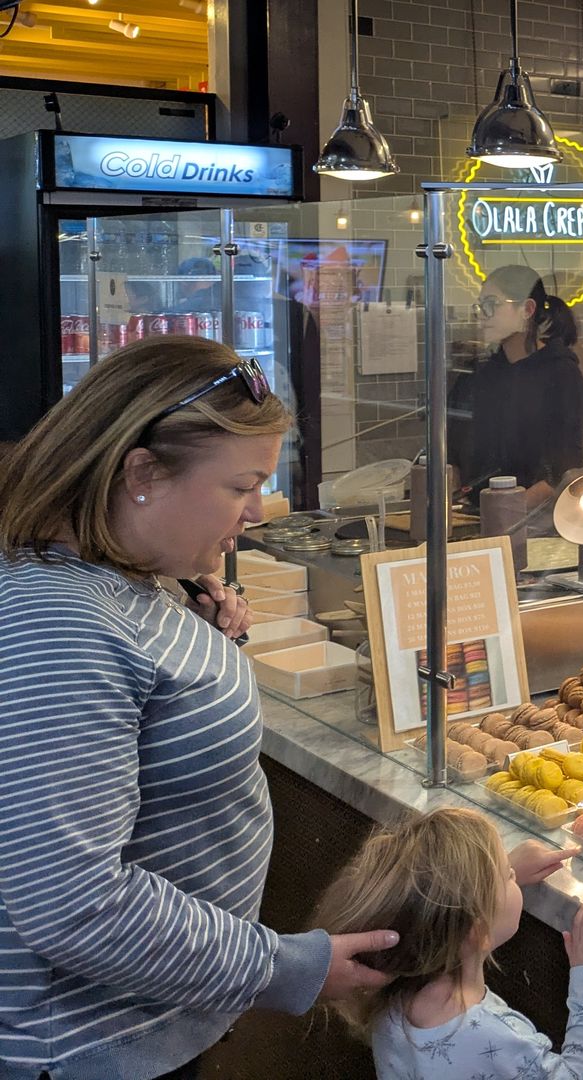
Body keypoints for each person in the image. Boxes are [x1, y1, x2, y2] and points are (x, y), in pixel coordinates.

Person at [0, 336, 401, 1080]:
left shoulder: (124, 572)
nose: (257, 511)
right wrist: (284, 968)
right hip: (90, 1046)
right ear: (142, 472)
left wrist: (199, 637)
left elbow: (143, 705)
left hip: (159, 1013)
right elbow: (72, 903)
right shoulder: (60, 626)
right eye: (240, 486)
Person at [313, 807, 583, 1079]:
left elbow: (445, 915)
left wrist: (502, 876)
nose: (511, 873)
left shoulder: (390, 998)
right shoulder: (493, 1035)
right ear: (477, 929)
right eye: (506, 875)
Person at [452, 266, 583, 510]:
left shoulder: (560, 372)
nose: (482, 315)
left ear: (527, 309)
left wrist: (511, 509)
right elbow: (453, 448)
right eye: (480, 306)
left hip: (537, 521)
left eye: (492, 304)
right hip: (475, 517)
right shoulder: (480, 375)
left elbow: (572, 458)